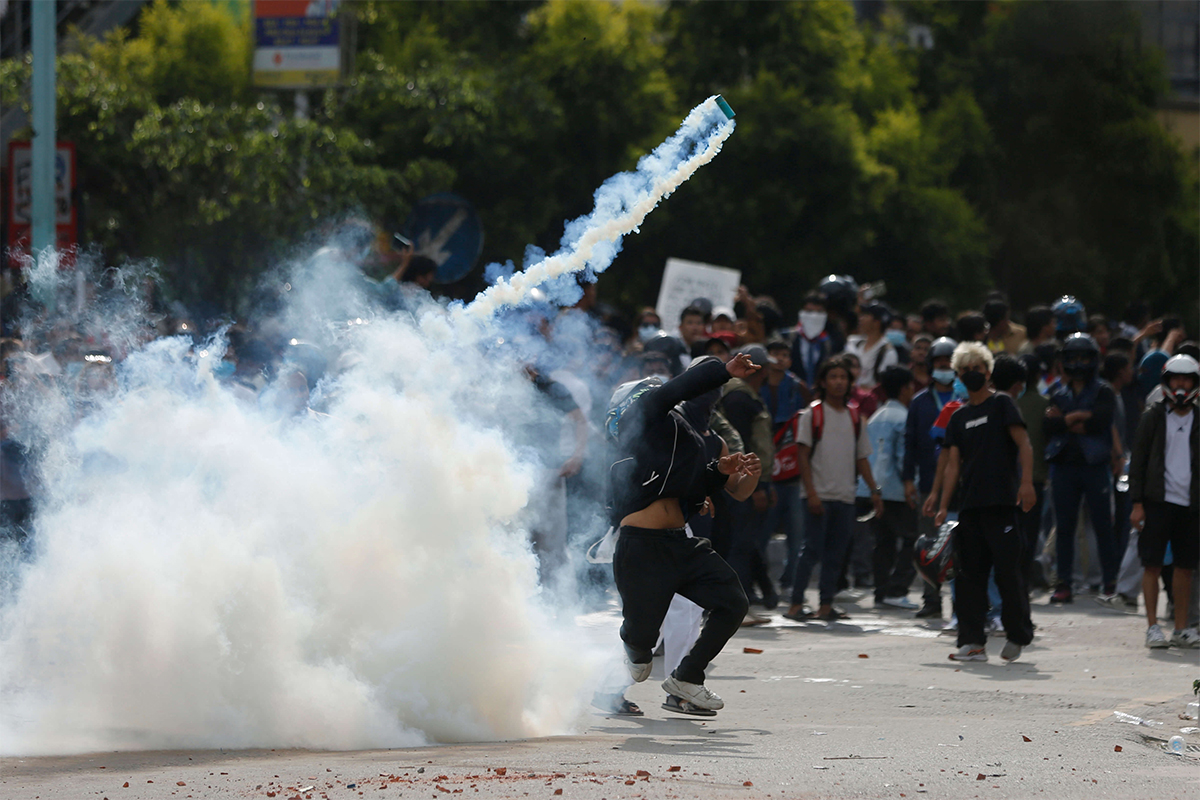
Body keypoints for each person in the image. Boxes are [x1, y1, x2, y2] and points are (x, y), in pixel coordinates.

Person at [605, 353, 761, 713]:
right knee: (641, 648)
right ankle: (626, 657)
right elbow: (676, 389)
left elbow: (689, 493)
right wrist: (723, 370)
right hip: (642, 550)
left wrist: (720, 471)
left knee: (733, 601)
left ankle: (687, 677)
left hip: (681, 544)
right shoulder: (642, 418)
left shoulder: (676, 439)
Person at [935, 343, 1037, 662]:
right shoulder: (958, 416)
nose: (971, 374)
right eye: (964, 370)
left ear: (988, 372)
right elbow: (953, 464)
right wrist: (942, 503)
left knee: (1008, 572)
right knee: (968, 578)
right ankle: (972, 643)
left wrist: (1026, 483)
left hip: (1002, 504)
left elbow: (1024, 444)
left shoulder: (1002, 404)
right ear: (958, 376)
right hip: (970, 507)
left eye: (976, 368)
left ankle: (1018, 635)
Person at [784, 356, 883, 623]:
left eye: (843, 377)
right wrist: (811, 492)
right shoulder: (812, 414)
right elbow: (802, 456)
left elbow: (862, 457)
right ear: (823, 382)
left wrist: (874, 490)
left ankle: (826, 605)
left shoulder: (854, 417)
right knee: (811, 550)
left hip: (845, 496)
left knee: (836, 554)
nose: (839, 382)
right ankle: (796, 603)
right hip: (819, 496)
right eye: (833, 377)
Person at [1128, 354, 1199, 649]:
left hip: (1191, 505)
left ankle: (1181, 628)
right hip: (1157, 501)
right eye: (1176, 379)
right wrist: (1137, 503)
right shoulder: (1152, 417)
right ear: (1167, 382)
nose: (1180, 386)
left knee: (1185, 567)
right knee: (1152, 565)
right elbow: (1139, 462)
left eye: (1186, 380)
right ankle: (1153, 628)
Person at [1043, 333, 1119, 603]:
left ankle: (1110, 582)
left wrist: (1066, 419)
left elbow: (1101, 421)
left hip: (1094, 464)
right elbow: (1048, 426)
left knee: (1102, 525)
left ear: (1093, 359)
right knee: (1064, 526)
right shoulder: (1056, 392)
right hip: (1063, 465)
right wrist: (1078, 418)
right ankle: (1064, 582)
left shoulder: (1103, 390)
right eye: (1072, 357)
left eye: (1083, 357)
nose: (1077, 363)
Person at [903, 336, 958, 618]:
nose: (944, 367)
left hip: (959, 485)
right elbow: (910, 442)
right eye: (939, 363)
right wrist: (907, 479)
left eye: (948, 363)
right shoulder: (920, 401)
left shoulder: (964, 398)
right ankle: (932, 600)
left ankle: (965, 601)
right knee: (927, 543)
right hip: (927, 482)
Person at [867, 366, 919, 609]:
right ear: (903, 389)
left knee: (883, 542)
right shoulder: (904, 417)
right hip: (897, 489)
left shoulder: (876, 416)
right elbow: (902, 457)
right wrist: (912, 485)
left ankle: (881, 590)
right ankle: (897, 588)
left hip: (874, 488)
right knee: (912, 539)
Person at [845, 302, 898, 392]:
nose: (860, 319)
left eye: (865, 316)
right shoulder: (856, 344)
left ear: (877, 322)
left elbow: (884, 386)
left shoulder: (887, 352)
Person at [790, 291, 834, 388]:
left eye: (819, 312)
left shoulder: (827, 343)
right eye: (809, 311)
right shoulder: (788, 339)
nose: (814, 316)